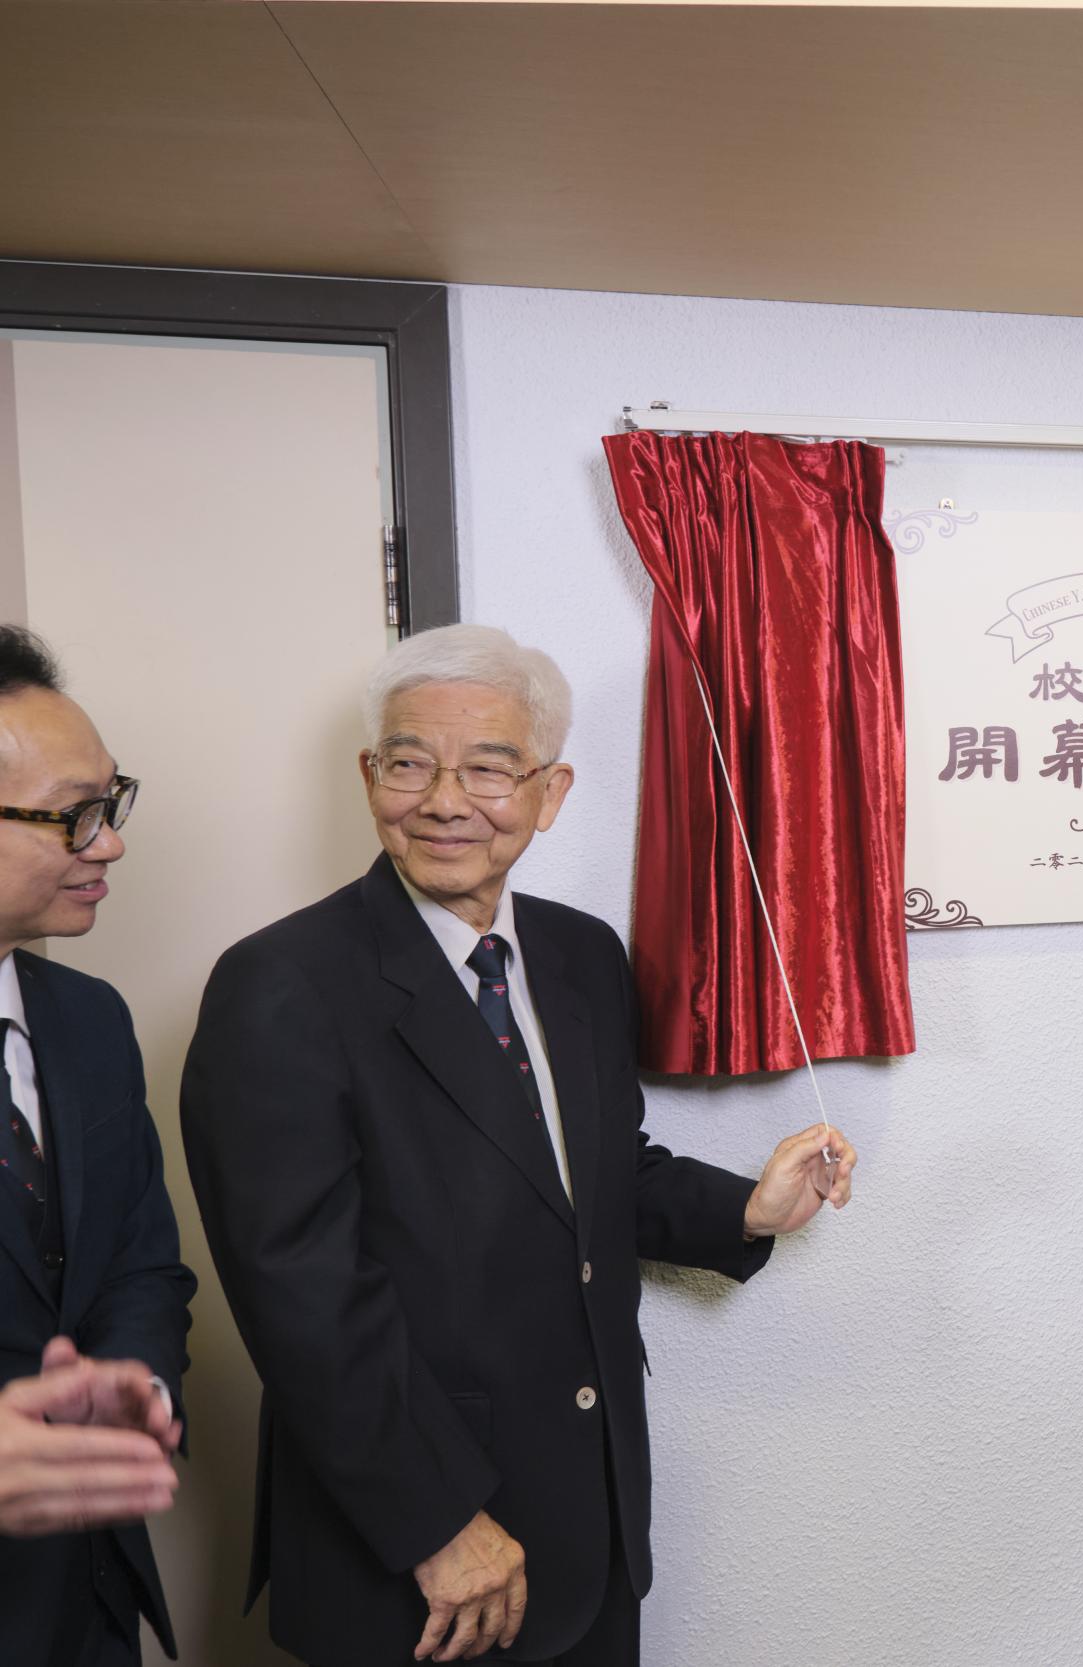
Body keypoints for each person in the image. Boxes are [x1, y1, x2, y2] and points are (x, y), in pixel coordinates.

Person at [179, 624, 859, 1667]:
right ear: (369, 776)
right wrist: (437, 1521)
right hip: (417, 1548)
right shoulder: (280, 982)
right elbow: (300, 1295)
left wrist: (745, 1208)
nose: (445, 800)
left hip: (588, 1519)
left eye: (490, 767)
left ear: (549, 791)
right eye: (410, 763)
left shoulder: (581, 953)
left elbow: (586, 1175)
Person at [0, 625, 195, 1666]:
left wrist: (136, 1391)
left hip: (92, 1604)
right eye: (74, 813)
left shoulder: (89, 1018)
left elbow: (141, 1265)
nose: (109, 843)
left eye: (110, 802)